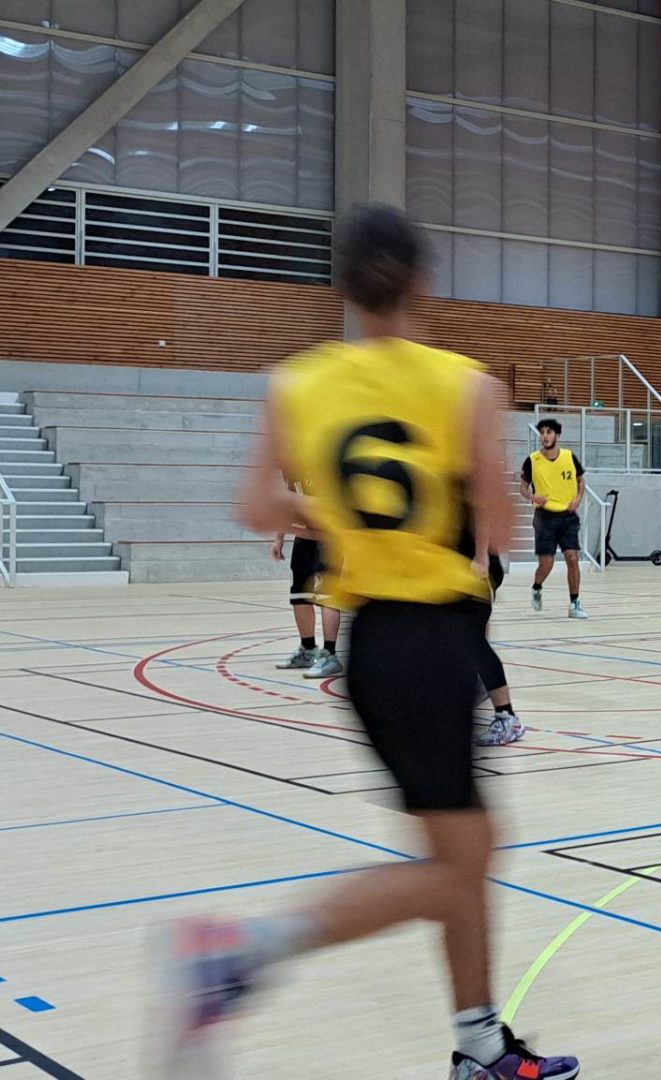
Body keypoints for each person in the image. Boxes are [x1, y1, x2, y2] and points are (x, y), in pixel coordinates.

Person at [155, 203, 578, 1079]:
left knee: (459, 855)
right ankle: (242, 953)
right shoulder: (466, 386)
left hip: (372, 645)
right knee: (460, 867)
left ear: (343, 287)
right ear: (421, 281)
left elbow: (255, 507)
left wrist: (331, 515)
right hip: (432, 641)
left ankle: (479, 1044)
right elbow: (499, 527)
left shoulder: (298, 384)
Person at [519, 418, 589, 619]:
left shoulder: (569, 457)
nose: (545, 436)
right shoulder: (532, 460)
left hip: (568, 516)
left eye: (549, 432)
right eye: (542, 432)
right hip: (544, 517)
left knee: (572, 558)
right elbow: (522, 488)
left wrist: (578, 499)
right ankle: (537, 587)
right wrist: (533, 497)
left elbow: (581, 481)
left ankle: (574, 604)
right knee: (546, 564)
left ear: (557, 435)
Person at [271, 508, 344, 679]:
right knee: (299, 595)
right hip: (303, 538)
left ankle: (330, 654)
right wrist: (279, 538)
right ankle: (308, 649)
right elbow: (288, 505)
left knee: (327, 596)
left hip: (329, 538)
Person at [473, 553, 525, 745]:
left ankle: (506, 717)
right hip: (450, 572)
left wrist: (480, 556)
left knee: (473, 642)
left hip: (471, 571)